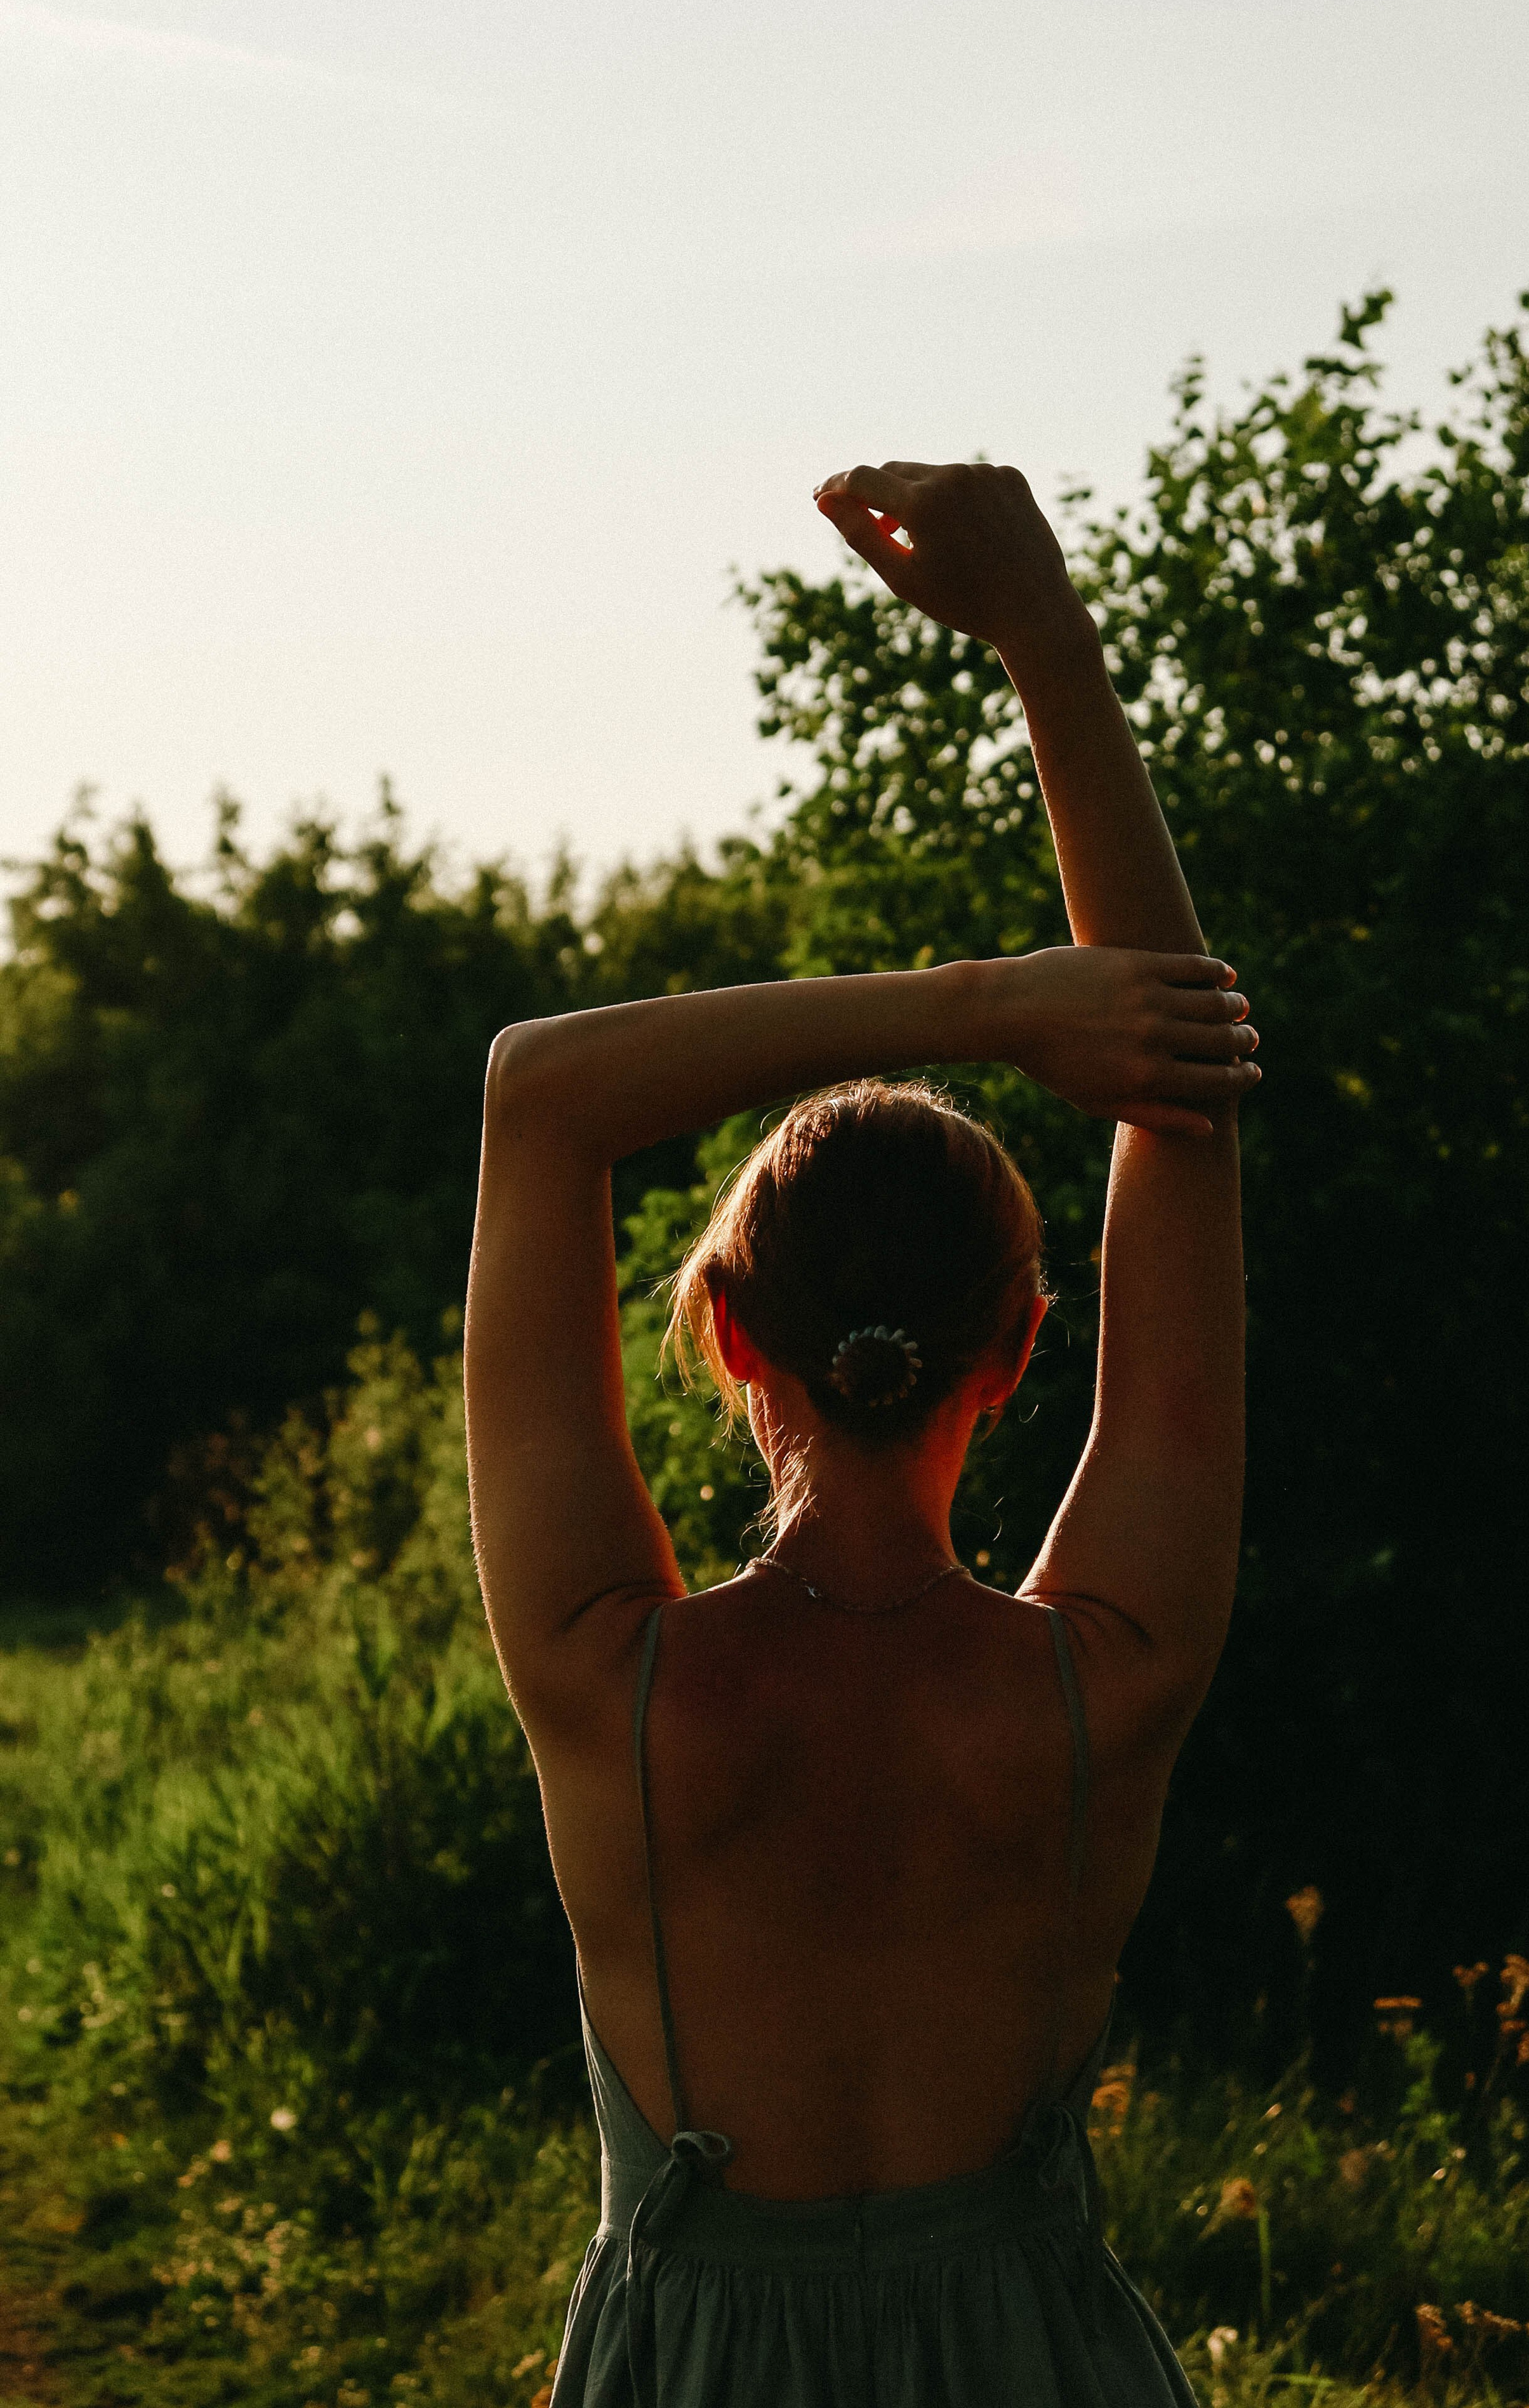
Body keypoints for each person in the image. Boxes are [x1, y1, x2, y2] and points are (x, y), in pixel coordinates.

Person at [465, 460, 1261, 2407]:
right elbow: (1190, 1089)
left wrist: (990, 1008)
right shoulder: (1110, 1681)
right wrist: (1048, 645)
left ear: (729, 1335)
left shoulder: (610, 1681)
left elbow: (538, 1093)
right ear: (1024, 1340)